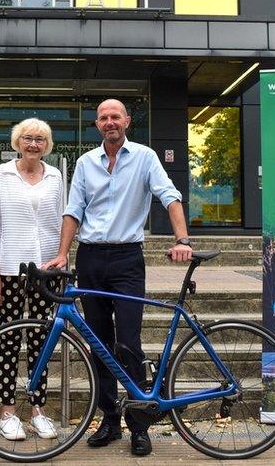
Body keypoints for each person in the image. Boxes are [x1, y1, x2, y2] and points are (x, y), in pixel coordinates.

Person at [41, 99, 193, 457]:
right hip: (90, 257)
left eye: (116, 117)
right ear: (98, 125)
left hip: (127, 259)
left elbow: (169, 197)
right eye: (104, 118)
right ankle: (110, 420)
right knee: (98, 344)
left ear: (126, 121)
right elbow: (72, 210)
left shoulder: (144, 157)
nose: (110, 122)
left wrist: (182, 239)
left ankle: (139, 425)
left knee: (128, 343)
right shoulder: (84, 163)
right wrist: (63, 253)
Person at [0, 118, 64, 441]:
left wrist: (62, 258)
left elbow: (62, 219)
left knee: (41, 340)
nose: (33, 144)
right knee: (9, 339)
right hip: (11, 267)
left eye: (40, 139)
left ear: (47, 145)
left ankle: (38, 410)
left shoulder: (56, 176)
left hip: (46, 268)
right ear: (18, 141)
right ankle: (7, 411)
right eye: (28, 138)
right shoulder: (1, 174)